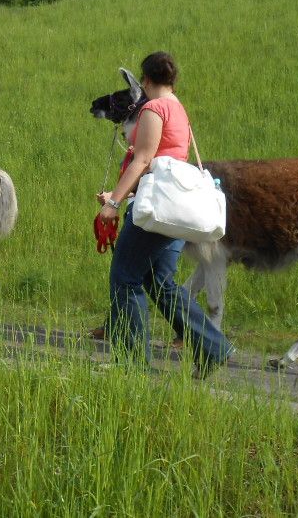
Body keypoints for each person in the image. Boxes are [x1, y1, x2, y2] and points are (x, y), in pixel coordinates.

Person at [96, 51, 234, 377]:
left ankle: (131, 364)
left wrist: (113, 204)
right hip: (177, 208)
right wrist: (122, 194)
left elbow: (143, 160)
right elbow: (168, 164)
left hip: (156, 210)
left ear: (145, 80)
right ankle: (214, 349)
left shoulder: (154, 109)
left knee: (125, 277)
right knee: (159, 282)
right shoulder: (179, 109)